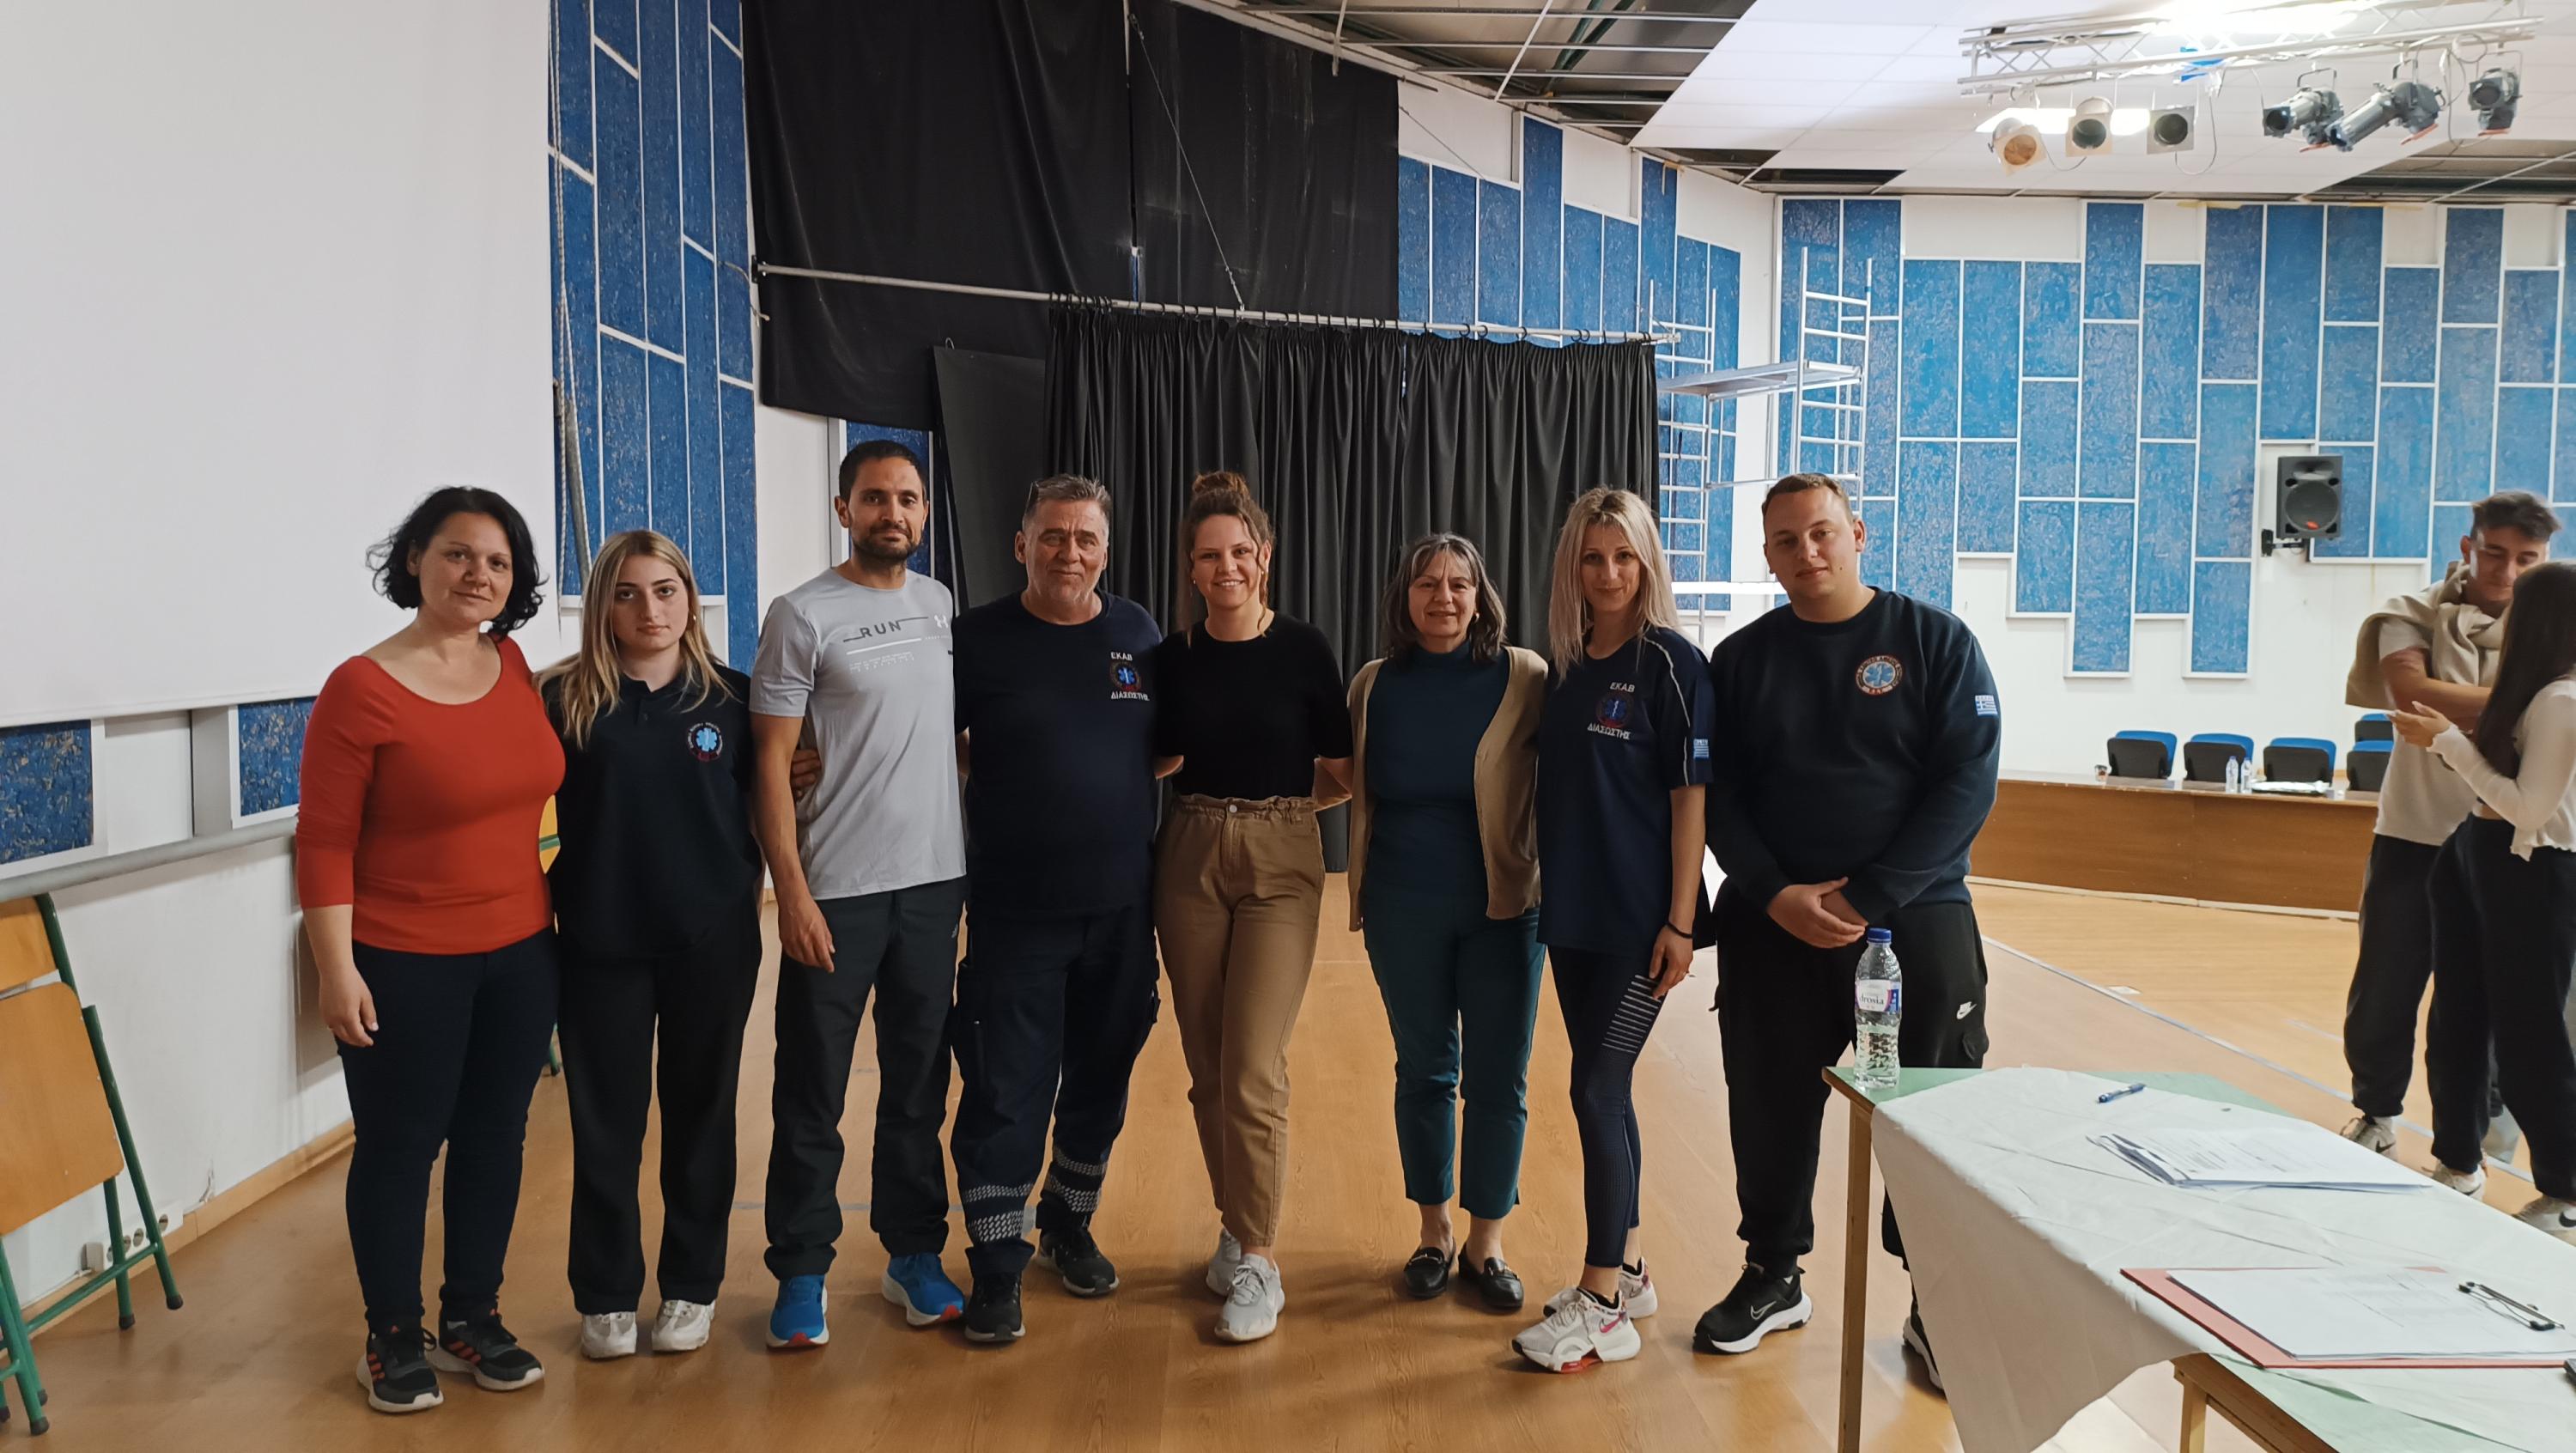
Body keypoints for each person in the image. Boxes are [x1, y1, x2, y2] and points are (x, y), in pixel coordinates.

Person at [1697, 472, 1999, 1391]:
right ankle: (1773, 1273)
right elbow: (1719, 797)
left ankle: (1934, 1302)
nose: (1808, 552)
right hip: (1774, 927)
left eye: (1822, 532)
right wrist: (1772, 892)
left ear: (1857, 533)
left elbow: (1967, 783)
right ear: (1768, 555)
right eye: (1787, 540)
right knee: (1768, 1103)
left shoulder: (1935, 642)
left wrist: (1872, 896)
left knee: (1927, 1113)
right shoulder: (1740, 661)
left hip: (1914, 921)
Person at [297, 487, 563, 1414]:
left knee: (495, 1137)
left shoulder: (513, 663)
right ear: (415, 559)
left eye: (497, 562)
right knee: (401, 1148)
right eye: (457, 554)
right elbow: (324, 842)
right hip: (403, 959)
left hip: (521, 953)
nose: (477, 575)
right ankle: (391, 1336)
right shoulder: (361, 687)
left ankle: (471, 1318)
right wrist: (337, 969)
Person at [750, 440, 968, 1348]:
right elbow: (770, 763)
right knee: (813, 1091)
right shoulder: (801, 614)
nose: (893, 513)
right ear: (844, 510)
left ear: (924, 512)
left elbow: (944, 736)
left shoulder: (940, 604)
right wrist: (792, 893)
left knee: (918, 1086)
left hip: (933, 886)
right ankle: (801, 1273)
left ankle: (913, 1255)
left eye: (907, 499)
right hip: (835, 891)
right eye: (875, 497)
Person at [946, 476, 1170, 1345]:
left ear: (1105, 551)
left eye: (1085, 538)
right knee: (1006, 1088)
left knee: (1101, 1078)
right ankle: (997, 1265)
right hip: (1015, 909)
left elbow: (1162, 748)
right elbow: (932, 742)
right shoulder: (976, 639)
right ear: (1021, 545)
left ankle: (1067, 1224)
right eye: (1052, 536)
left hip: (1123, 909)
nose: (1069, 552)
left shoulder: (1138, 632)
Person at [538, 531, 764, 1360]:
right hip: (600, 942)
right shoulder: (560, 700)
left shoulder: (736, 699)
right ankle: (605, 1296)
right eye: (628, 593)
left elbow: (778, 795)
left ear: (690, 600)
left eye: (666, 591)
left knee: (702, 1115)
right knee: (606, 1125)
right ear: (603, 605)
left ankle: (691, 1286)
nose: (650, 610)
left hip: (712, 940)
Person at [1510, 488, 1711, 1374]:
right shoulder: (1565, 666)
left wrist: (1680, 922)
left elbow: (1690, 800)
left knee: (1594, 1090)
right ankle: (1628, 1271)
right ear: (1573, 568)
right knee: (1607, 1089)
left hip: (1642, 928)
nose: (1609, 573)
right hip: (1574, 920)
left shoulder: (1671, 663)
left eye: (1624, 556)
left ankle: (1599, 1302)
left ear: (1647, 561)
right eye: (1593, 558)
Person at [1150, 471, 1352, 1345]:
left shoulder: (1304, 649)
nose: (1225, 566)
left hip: (1280, 857)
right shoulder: (1173, 659)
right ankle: (1235, 1226)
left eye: (1239, 551)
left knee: (1252, 1066)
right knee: (1206, 1065)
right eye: (1209, 555)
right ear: (1192, 569)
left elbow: (1342, 771)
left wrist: (1280, 813)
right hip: (1190, 850)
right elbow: (1156, 756)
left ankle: (1261, 1260)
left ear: (1264, 558)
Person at [1345, 533, 1549, 1314]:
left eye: (1459, 584)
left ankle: (1487, 1241)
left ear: (1480, 595)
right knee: (1425, 1069)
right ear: (1404, 598)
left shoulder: (1524, 676)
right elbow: (1341, 778)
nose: (1444, 597)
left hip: (1505, 910)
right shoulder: (1373, 685)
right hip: (1402, 905)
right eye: (1427, 584)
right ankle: (1434, 1232)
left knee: (1500, 1076)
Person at [2342, 491, 2558, 1167]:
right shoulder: (2408, 614)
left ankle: (2477, 1134)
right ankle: (2376, 1112)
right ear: (2468, 547)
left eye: (2527, 559)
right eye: (2495, 553)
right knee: (2386, 983)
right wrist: (2528, 701)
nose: (2507, 571)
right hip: (2415, 829)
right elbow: (2411, 696)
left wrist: (2481, 705)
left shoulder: (2553, 628)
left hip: (2507, 837)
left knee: (2487, 995)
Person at [2391, 560, 2576, 1243]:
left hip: (2534, 870)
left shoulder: (2562, 699)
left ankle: (2566, 1190)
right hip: (2477, 851)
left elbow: (2529, 808)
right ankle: (2459, 1160)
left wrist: (2447, 742)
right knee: (2457, 1020)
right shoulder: (2531, 691)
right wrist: (2453, 741)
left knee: (2530, 1034)